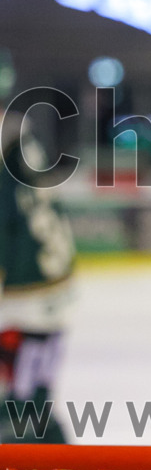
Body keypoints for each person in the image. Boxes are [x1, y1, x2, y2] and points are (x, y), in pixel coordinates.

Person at [0, 50, 75, 443]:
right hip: (53, 287)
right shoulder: (16, 129)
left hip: (20, 298)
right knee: (33, 409)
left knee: (17, 422)